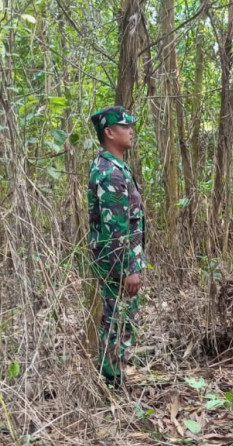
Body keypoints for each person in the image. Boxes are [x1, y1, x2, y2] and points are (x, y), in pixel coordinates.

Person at [87, 105, 147, 388]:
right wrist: (127, 269)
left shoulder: (114, 166)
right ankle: (112, 380)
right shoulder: (110, 171)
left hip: (118, 265)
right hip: (117, 267)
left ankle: (115, 373)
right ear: (109, 132)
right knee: (117, 322)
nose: (131, 130)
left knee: (120, 320)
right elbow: (114, 229)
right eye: (125, 126)